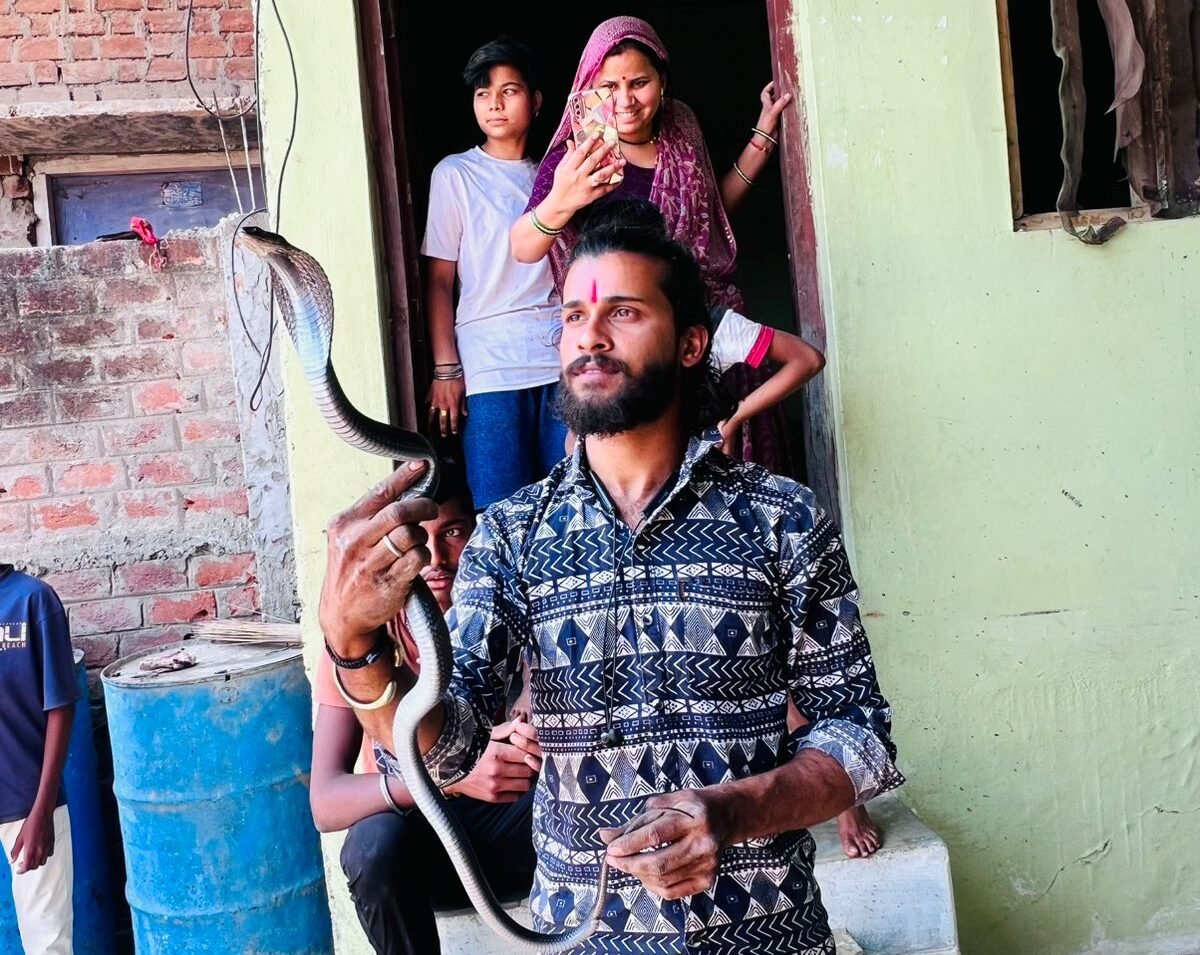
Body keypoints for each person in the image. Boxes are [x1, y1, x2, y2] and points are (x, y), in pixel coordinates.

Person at [319, 200, 903, 954]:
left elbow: (860, 740)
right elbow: (449, 749)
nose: (589, 335)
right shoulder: (512, 535)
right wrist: (355, 645)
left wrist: (730, 812)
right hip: (587, 939)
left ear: (691, 344)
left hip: (768, 937)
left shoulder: (782, 518)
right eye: (573, 316)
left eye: (622, 312)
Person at [511, 16, 819, 474]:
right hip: (631, 339)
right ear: (587, 89)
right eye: (608, 86)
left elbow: (711, 214)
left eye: (639, 83)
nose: (624, 100)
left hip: (709, 330)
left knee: (725, 472)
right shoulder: (577, 154)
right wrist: (563, 199)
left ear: (662, 81)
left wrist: (762, 139)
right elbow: (523, 247)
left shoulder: (681, 127)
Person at [309, 465, 538, 955]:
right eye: (418, 541)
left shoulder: (517, 610)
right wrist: (448, 780)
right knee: (372, 843)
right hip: (429, 852)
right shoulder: (359, 649)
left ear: (479, 535)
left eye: (453, 533)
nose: (435, 559)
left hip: (521, 842)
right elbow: (325, 804)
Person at [422, 38, 567, 512]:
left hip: (560, 360)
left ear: (536, 101)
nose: (495, 104)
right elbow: (439, 280)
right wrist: (446, 368)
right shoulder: (455, 174)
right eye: (483, 94)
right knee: (500, 509)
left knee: (571, 503)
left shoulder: (557, 176)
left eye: (509, 91)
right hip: (490, 366)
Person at [0, 564, 77, 955]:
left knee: (47, 944)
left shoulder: (32, 600)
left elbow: (60, 705)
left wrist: (42, 810)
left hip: (26, 804)